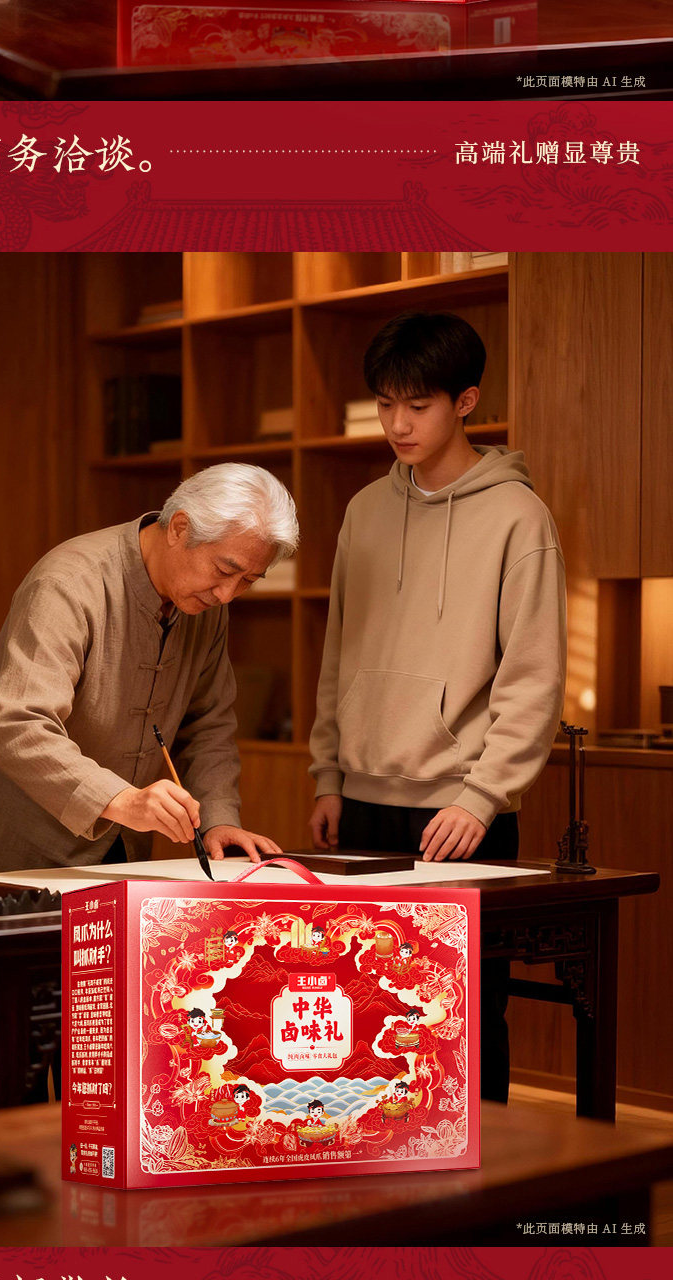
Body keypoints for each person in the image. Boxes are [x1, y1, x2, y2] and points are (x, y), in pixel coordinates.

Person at [308, 311, 566, 1102]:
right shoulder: (364, 511)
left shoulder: (518, 517)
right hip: (360, 805)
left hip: (459, 816)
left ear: (466, 401)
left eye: (417, 405)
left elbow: (533, 676)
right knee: (359, 1013)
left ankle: (488, 1171)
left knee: (462, 1017)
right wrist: (328, 773)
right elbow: (339, 651)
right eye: (386, 404)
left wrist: (483, 796)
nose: (397, 424)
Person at [0, 463, 299, 875]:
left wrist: (219, 819)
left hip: (120, 845)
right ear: (179, 528)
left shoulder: (207, 603)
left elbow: (207, 724)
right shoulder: (69, 583)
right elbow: (19, 727)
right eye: (224, 570)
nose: (227, 594)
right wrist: (124, 800)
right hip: (15, 841)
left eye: (249, 580)